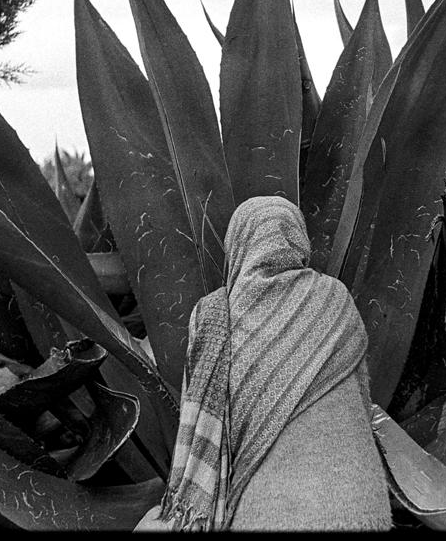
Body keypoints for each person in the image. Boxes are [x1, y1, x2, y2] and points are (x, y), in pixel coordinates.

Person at [136, 195, 392, 531]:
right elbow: (361, 398)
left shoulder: (214, 315)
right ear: (298, 241)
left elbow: (200, 424)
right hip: (361, 506)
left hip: (270, 514)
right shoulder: (336, 298)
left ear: (236, 246)